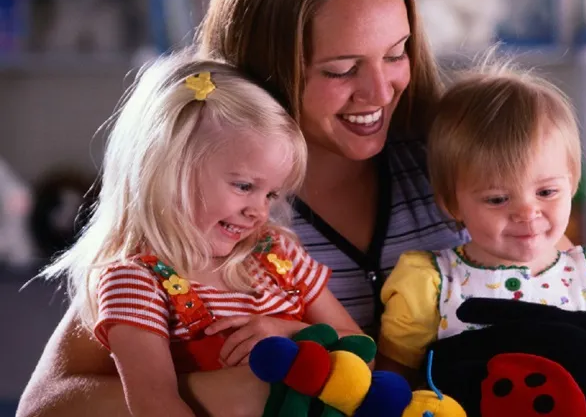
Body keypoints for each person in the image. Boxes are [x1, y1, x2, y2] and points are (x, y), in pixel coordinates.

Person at [18, 0, 571, 415]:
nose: (381, 93)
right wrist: (231, 389)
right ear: (269, 64)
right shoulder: (212, 206)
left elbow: (573, 294)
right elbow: (44, 406)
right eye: (341, 68)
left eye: (396, 53)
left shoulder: (460, 159)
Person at [33, 52, 360, 417]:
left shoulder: (277, 254)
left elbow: (361, 348)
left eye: (270, 194)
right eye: (244, 186)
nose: (260, 211)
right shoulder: (135, 282)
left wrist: (287, 331)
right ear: (172, 170)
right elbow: (155, 404)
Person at [378, 66, 586, 416]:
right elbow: (394, 377)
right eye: (498, 199)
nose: (527, 212)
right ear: (452, 202)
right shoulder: (429, 282)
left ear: (572, 183)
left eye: (546, 191)